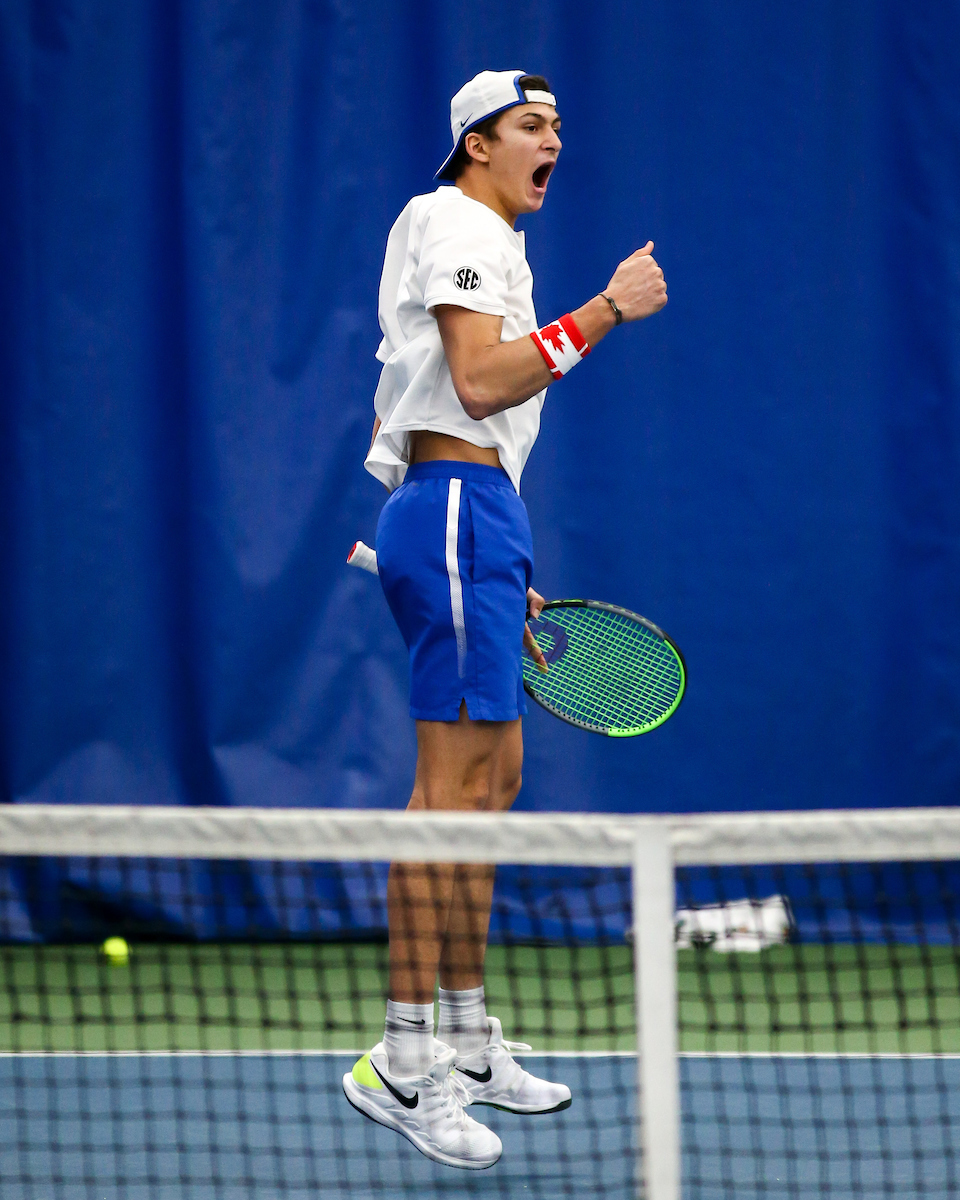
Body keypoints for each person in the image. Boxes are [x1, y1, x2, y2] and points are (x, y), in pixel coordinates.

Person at [342, 69, 668, 1170]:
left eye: (561, 125)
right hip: (453, 507)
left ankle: (468, 1037)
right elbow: (478, 385)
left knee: (493, 789)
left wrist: (495, 559)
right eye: (533, 125)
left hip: (480, 518)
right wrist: (607, 310)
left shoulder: (498, 245)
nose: (554, 141)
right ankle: (399, 1058)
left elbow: (457, 398)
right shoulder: (455, 217)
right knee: (445, 798)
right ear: (477, 143)